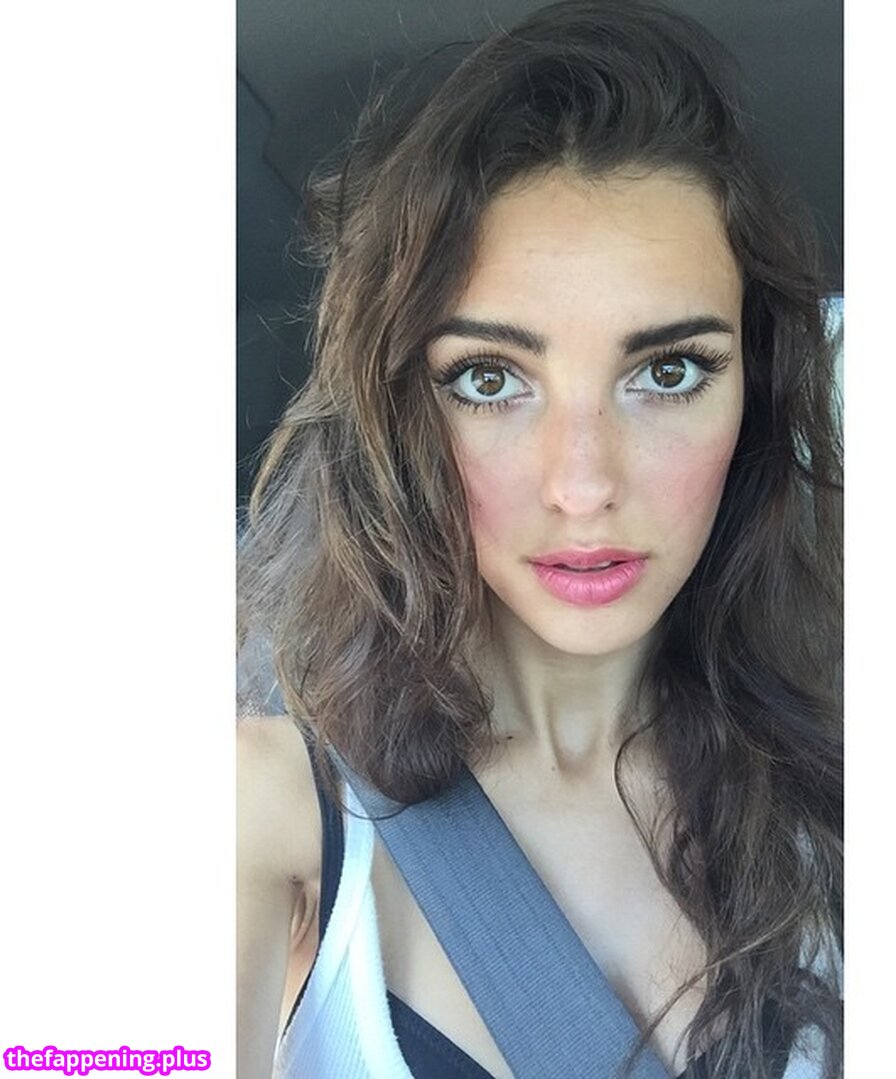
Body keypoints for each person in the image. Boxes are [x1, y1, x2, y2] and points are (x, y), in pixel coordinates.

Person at [237, 2, 843, 1077]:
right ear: (398, 415)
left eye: (668, 371)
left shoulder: (840, 799)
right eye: (489, 380)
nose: (584, 485)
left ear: (753, 391)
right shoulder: (264, 809)